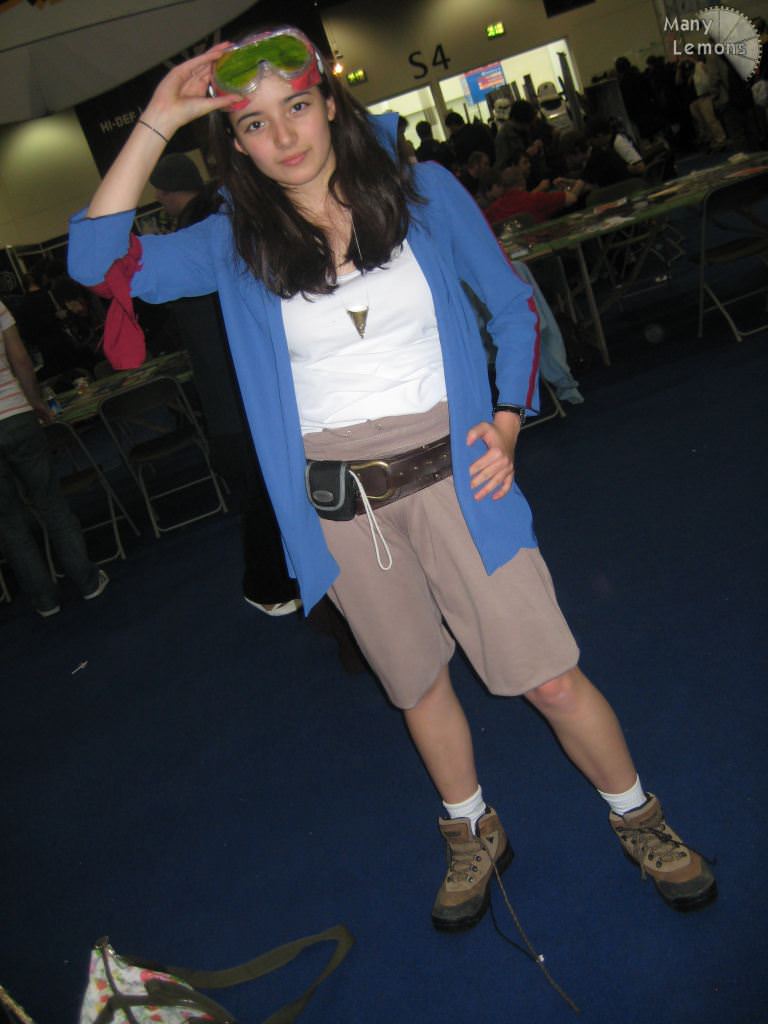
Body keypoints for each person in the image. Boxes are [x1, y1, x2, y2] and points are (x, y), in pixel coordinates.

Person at [68, 26, 716, 928]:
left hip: (461, 481)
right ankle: (471, 827)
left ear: (330, 104)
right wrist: (158, 117)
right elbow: (94, 263)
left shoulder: (423, 194)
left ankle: (638, 815)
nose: (284, 136)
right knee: (414, 685)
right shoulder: (235, 242)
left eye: (297, 107)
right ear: (236, 146)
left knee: (551, 677)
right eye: (254, 124)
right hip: (343, 511)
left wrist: (506, 418)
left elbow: (512, 307)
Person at [0, 300, 109, 616]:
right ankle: (87, 581)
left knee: (8, 522)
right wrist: (34, 401)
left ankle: (45, 601)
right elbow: (21, 359)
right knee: (51, 501)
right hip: (16, 415)